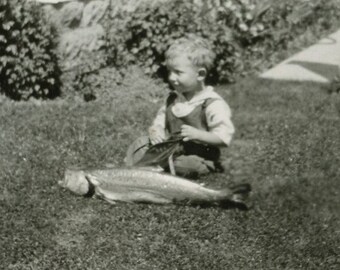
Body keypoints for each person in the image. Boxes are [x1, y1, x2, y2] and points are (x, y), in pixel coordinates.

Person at [125, 34, 235, 179]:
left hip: (198, 155)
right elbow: (159, 121)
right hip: (170, 151)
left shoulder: (212, 103)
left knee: (187, 165)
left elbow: (223, 138)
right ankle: (135, 172)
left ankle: (153, 169)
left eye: (178, 72)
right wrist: (155, 130)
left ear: (200, 75)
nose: (171, 77)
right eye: (169, 71)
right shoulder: (173, 98)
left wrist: (198, 135)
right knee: (140, 143)